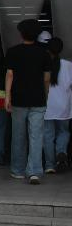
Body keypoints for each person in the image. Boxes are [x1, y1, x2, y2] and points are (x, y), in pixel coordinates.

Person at [5, 18, 51, 184]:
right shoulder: (44, 53)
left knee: (18, 135)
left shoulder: (13, 52)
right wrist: (45, 95)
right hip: (38, 99)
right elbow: (46, 78)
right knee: (36, 136)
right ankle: (34, 172)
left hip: (18, 100)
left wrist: (7, 96)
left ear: (21, 34)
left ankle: (18, 170)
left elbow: (10, 75)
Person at [43, 37, 71, 175]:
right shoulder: (68, 65)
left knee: (48, 135)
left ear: (47, 49)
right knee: (63, 132)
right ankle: (61, 153)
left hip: (47, 106)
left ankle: (49, 165)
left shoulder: (42, 64)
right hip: (63, 106)